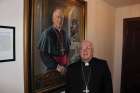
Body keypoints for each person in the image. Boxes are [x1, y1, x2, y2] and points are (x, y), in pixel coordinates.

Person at [38, 8, 70, 73]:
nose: (60, 20)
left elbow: (67, 51)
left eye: (62, 18)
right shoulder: (46, 33)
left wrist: (66, 64)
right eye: (58, 17)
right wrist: (57, 66)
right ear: (53, 19)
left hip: (65, 68)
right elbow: (43, 54)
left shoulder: (65, 33)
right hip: (53, 68)